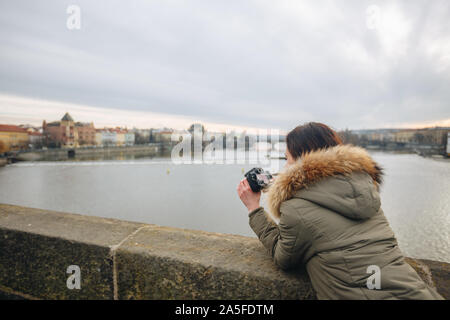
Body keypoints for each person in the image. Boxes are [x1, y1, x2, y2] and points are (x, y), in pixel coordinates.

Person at [237, 122, 444, 300]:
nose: (284, 168)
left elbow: (283, 257)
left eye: (287, 159)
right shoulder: (364, 190)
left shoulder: (296, 210)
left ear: (300, 162)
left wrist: (254, 209)